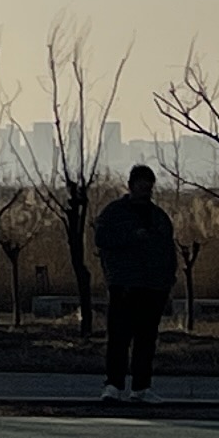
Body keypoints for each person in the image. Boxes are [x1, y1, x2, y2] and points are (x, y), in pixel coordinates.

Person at [93, 166, 178, 400]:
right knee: (118, 338)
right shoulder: (114, 213)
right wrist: (131, 237)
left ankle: (141, 387)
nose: (145, 192)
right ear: (131, 186)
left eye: (149, 187)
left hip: (154, 287)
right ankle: (114, 385)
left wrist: (168, 280)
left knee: (146, 339)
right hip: (124, 284)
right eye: (141, 186)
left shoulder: (159, 217)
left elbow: (168, 250)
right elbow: (101, 239)